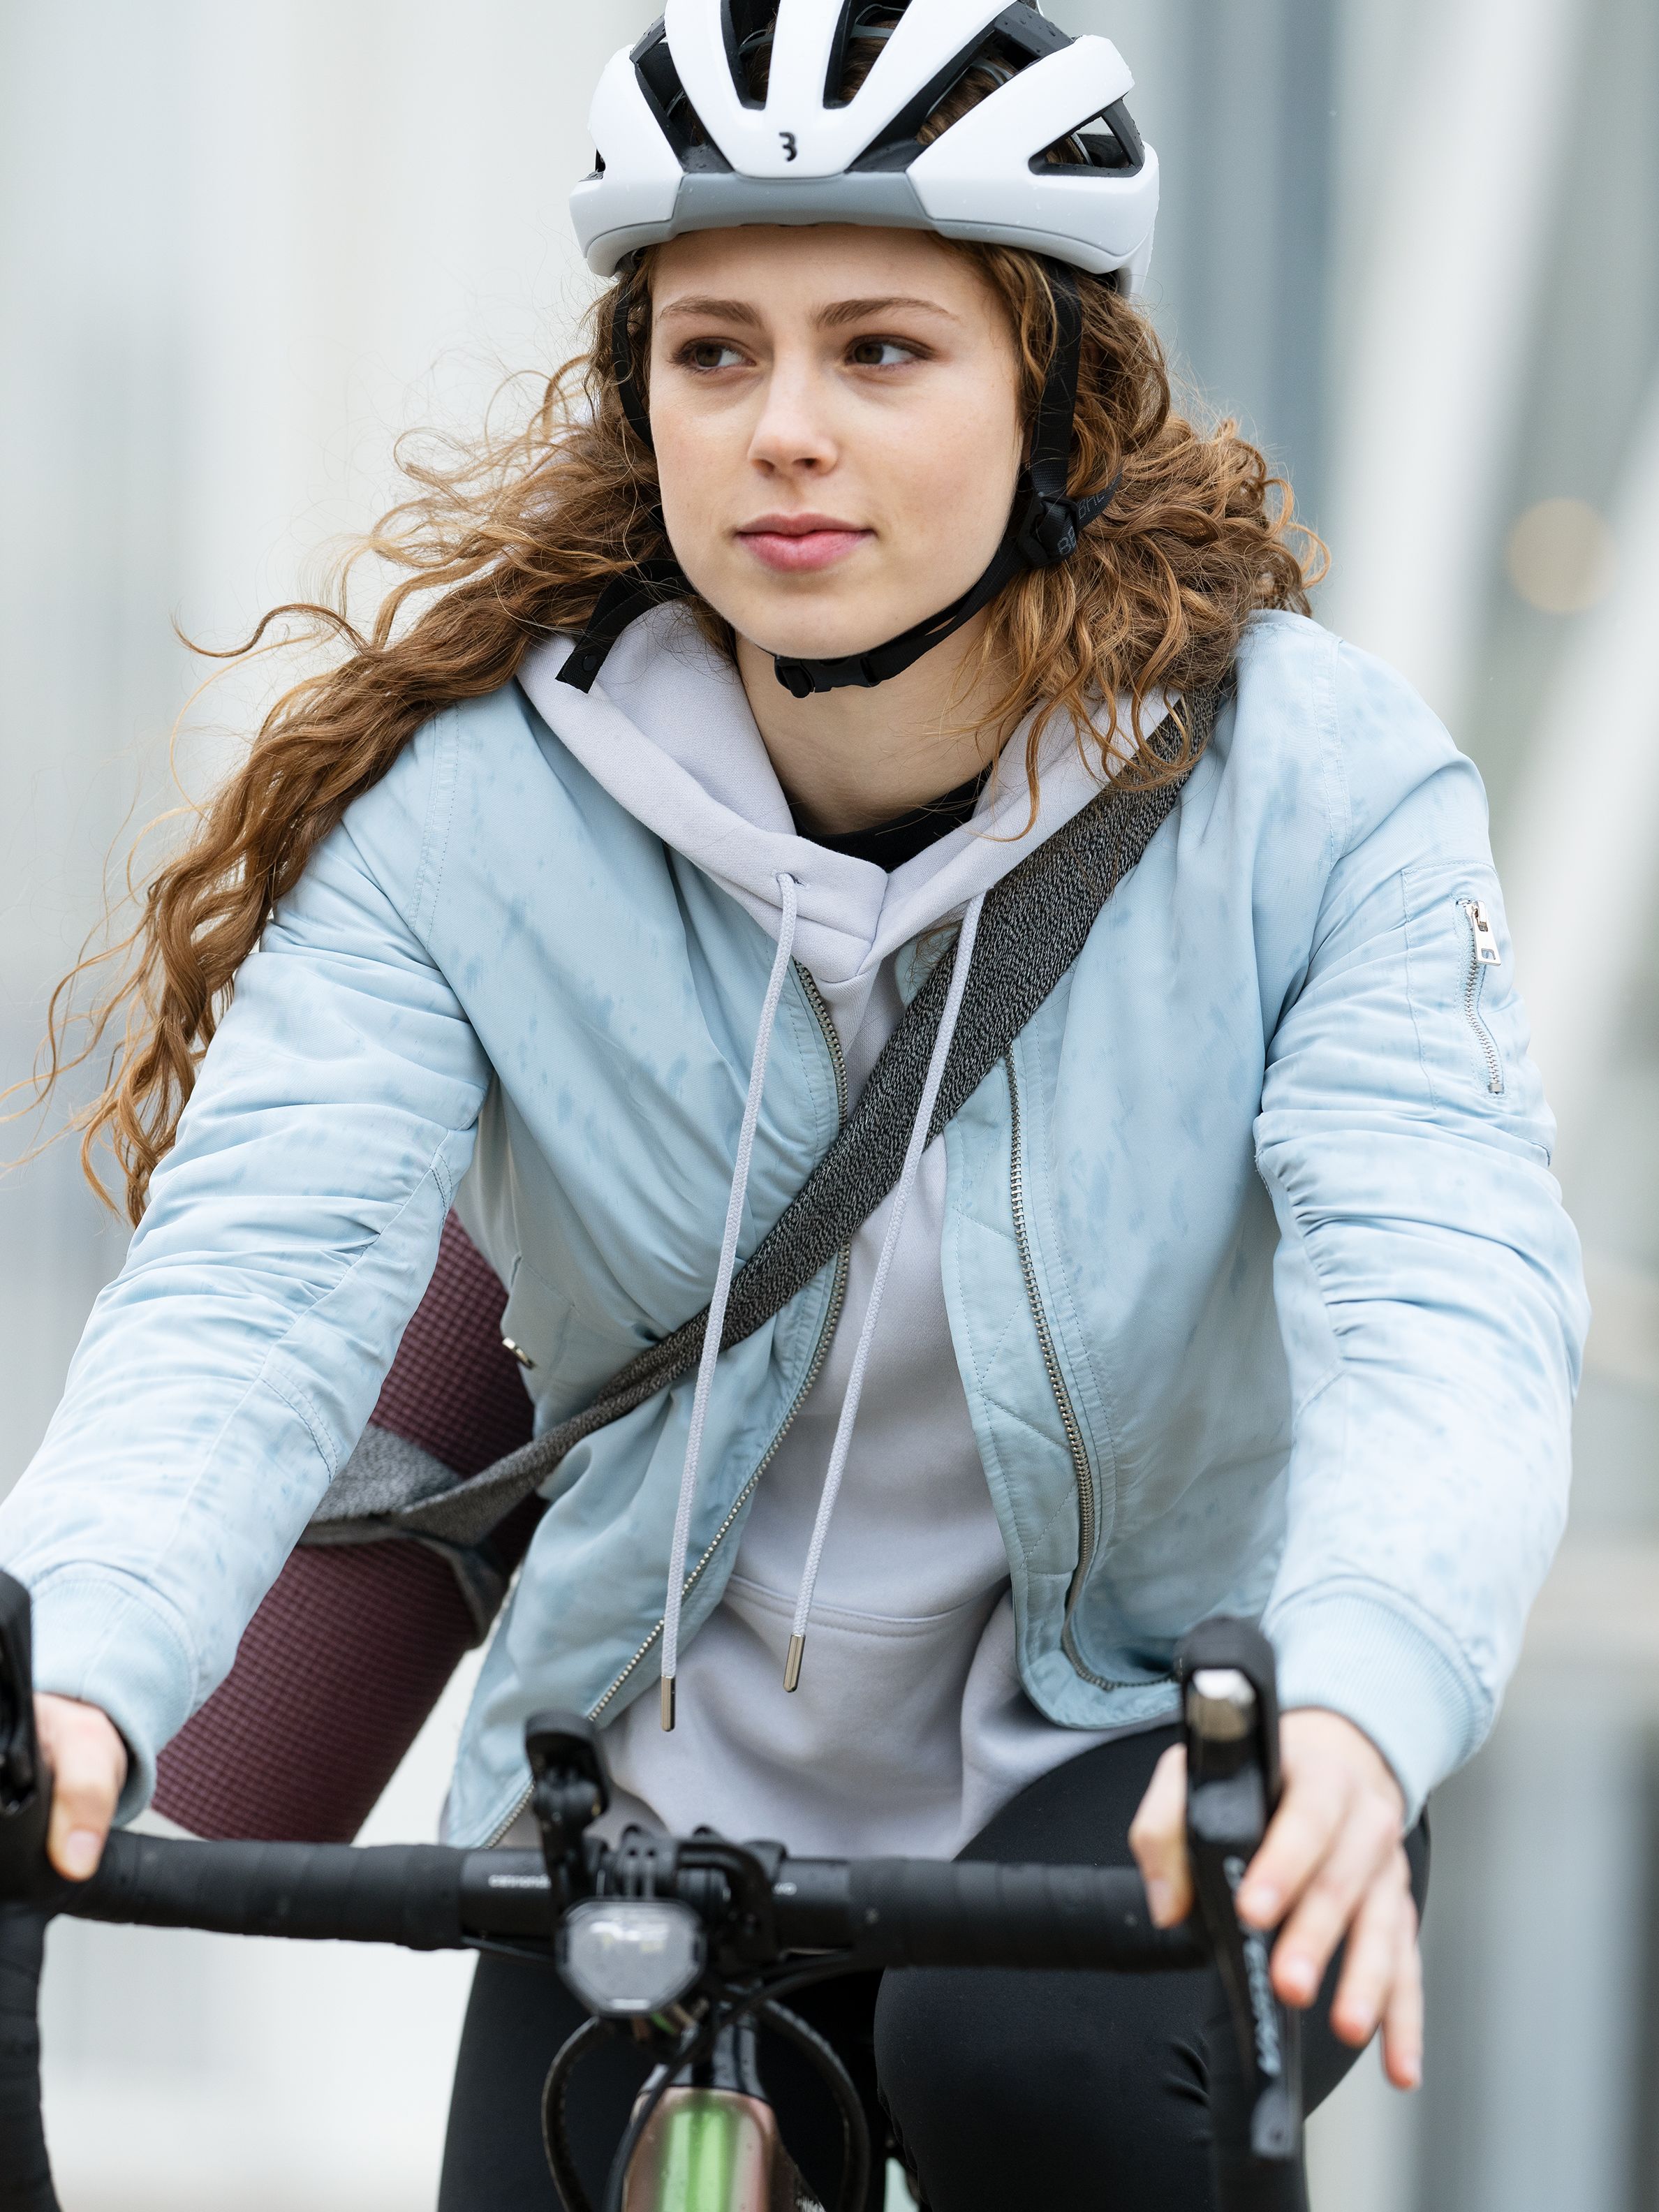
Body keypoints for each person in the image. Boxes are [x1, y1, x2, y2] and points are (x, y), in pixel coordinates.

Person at [0, 4, 1586, 2206]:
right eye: (716, 353)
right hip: (663, 1799)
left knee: (1027, 2053)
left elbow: (1450, 1297)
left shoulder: (1314, 796)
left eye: (883, 351)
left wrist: (1357, 1697)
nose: (785, 432)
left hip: (1148, 1754)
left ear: (1052, 389)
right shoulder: (476, 823)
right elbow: (252, 1291)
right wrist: (68, 1675)